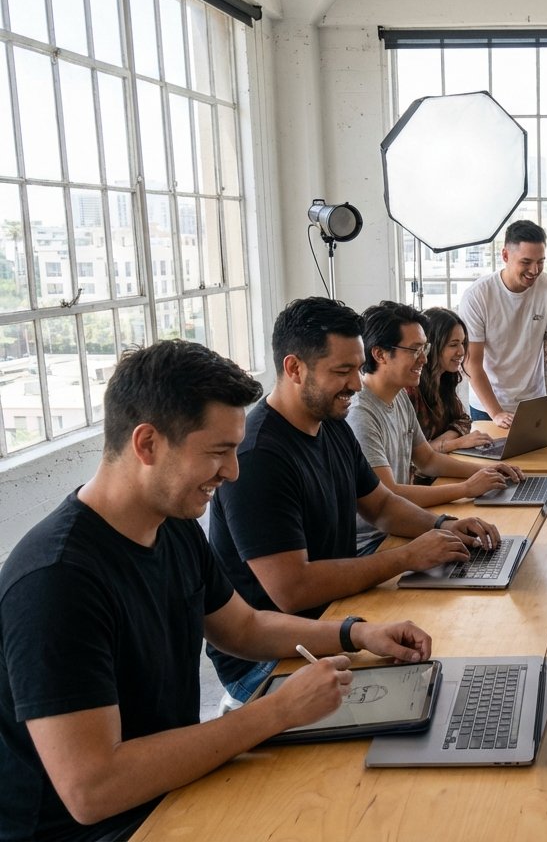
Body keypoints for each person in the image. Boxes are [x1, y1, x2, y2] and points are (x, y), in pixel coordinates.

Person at [0, 340, 434, 841]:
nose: (233, 472)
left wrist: (356, 633)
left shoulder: (172, 524)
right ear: (147, 445)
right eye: (218, 452)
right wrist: (276, 711)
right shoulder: (57, 582)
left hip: (173, 791)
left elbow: (244, 626)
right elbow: (94, 788)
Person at [206, 297, 498, 703]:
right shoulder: (258, 457)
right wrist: (406, 557)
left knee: (457, 655)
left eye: (357, 369)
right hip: (269, 659)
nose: (357, 385)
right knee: (428, 695)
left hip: (336, 615)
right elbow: (293, 589)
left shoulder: (332, 422)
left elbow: (378, 504)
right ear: (294, 369)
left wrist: (443, 526)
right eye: (342, 371)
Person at [348, 301, 525, 527]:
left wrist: (487, 471)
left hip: (400, 522)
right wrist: (466, 488)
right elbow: (388, 494)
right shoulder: (360, 414)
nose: (423, 358)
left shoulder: (398, 396)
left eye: (425, 349)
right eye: (415, 350)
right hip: (377, 538)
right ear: (380, 354)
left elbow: (427, 459)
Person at [459, 219, 547, 429]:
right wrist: (497, 413)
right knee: (495, 463)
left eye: (541, 261)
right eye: (526, 262)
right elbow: (470, 363)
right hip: (487, 406)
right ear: (505, 256)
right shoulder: (477, 296)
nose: (534, 270)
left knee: (539, 461)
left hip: (533, 402)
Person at [410, 306, 495, 455]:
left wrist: (441, 443)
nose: (462, 351)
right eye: (453, 345)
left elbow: (463, 420)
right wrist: (456, 443)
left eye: (462, 343)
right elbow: (413, 455)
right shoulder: (411, 389)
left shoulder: (445, 379)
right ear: (431, 346)